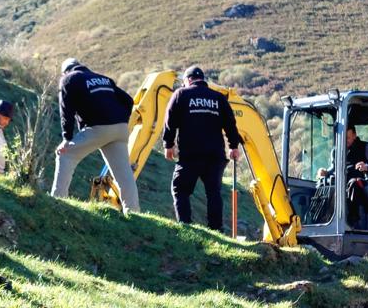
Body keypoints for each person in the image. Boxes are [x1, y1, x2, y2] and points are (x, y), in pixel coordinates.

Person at [51, 58, 140, 214]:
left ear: (65, 71)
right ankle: (133, 212)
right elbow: (128, 100)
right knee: (124, 174)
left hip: (98, 128)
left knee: (65, 155)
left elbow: (66, 111)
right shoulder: (103, 79)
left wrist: (67, 139)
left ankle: (58, 201)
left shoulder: (68, 79)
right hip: (120, 129)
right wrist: (121, 120)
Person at [162, 66, 240, 231]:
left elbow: (170, 121)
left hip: (191, 155)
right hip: (215, 155)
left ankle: (185, 226)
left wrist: (168, 145)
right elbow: (231, 124)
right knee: (213, 193)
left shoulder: (181, 94)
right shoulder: (218, 98)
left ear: (188, 80)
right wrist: (234, 146)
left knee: (180, 189)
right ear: (202, 79)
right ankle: (216, 229)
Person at [317, 124, 368, 226]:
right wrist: (325, 172)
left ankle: (353, 219)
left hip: (361, 182)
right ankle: (324, 219)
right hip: (341, 182)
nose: (345, 141)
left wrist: (367, 167)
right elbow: (333, 168)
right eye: (343, 138)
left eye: (348, 138)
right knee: (326, 183)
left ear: (355, 135)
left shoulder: (366, 147)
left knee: (354, 183)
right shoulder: (336, 151)